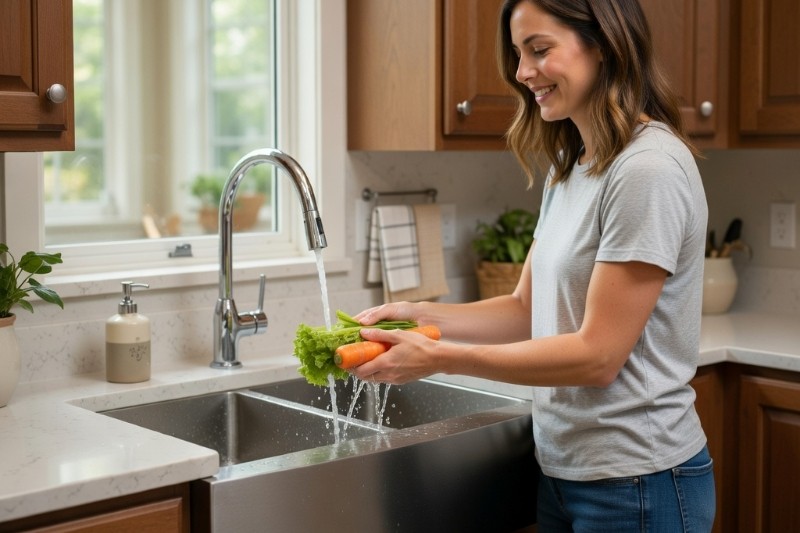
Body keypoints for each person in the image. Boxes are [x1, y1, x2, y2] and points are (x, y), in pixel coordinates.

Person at [350, 0, 715, 531]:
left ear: (604, 44)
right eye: (519, 54)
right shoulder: (571, 169)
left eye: (539, 50)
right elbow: (525, 308)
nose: (522, 73)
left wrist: (440, 357)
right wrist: (413, 314)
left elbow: (598, 356)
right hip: (565, 474)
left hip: (640, 482)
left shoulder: (647, 169)